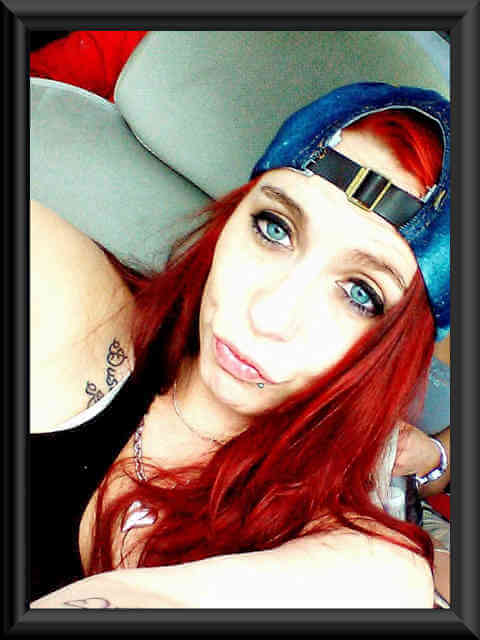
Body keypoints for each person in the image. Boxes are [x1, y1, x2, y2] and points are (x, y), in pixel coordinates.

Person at [30, 81, 450, 608]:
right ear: (232, 217)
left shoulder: (368, 569)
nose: (268, 315)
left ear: (399, 352)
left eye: (360, 294)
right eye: (274, 229)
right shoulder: (66, 295)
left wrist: (435, 458)